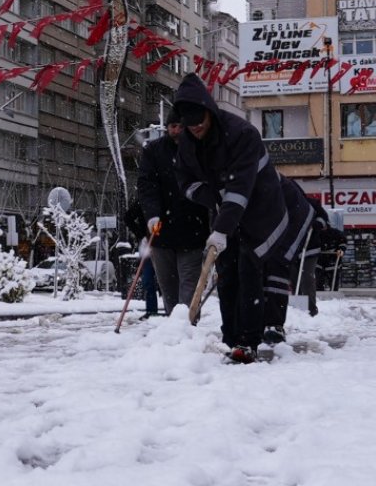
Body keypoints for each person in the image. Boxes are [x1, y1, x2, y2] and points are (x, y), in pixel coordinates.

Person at [170, 74, 314, 363]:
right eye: (190, 124)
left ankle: (248, 342)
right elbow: (186, 183)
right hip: (226, 209)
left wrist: (222, 227)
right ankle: (231, 337)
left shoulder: (241, 134)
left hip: (262, 209)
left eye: (200, 121)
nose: (196, 128)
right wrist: (213, 199)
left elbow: (240, 188)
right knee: (226, 271)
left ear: (209, 112)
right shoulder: (187, 142)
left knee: (249, 269)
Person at [136, 112, 210, 316]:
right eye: (172, 126)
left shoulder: (199, 149)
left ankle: (188, 324)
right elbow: (146, 185)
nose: (176, 131)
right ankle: (174, 324)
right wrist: (152, 214)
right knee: (168, 288)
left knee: (189, 287)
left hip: (193, 230)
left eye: (180, 126)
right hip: (162, 232)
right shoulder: (154, 150)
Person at [122, 199, 159, 318]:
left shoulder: (163, 198)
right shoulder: (144, 201)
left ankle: (174, 310)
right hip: (147, 244)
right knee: (148, 279)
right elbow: (128, 218)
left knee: (168, 279)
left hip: (165, 245)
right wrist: (141, 235)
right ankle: (151, 310)